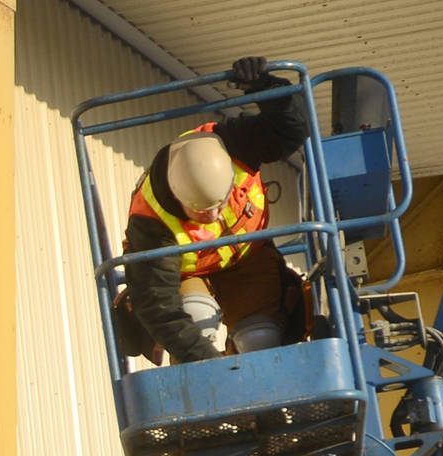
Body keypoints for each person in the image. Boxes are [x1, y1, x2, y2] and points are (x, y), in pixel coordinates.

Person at [115, 55, 312, 366]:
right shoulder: (151, 225)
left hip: (247, 256)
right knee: (196, 319)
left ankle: (271, 408)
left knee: (260, 339)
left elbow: (293, 127)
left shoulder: (235, 144)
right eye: (201, 211)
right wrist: (217, 372)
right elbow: (160, 308)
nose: (215, 217)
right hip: (187, 273)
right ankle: (208, 403)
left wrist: (263, 84)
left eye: (219, 204)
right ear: (178, 199)